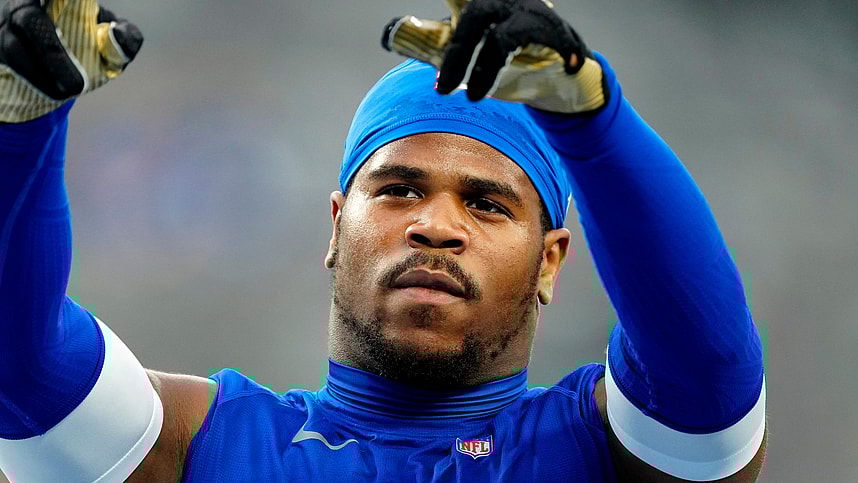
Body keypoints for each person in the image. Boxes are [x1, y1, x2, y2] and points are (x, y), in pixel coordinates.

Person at [0, 0, 767, 481]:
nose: (435, 223)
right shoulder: (198, 444)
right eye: (399, 188)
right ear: (338, 226)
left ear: (551, 259)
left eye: (487, 204)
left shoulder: (597, 451)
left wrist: (591, 127)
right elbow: (19, 367)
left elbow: (709, 368)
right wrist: (19, 135)